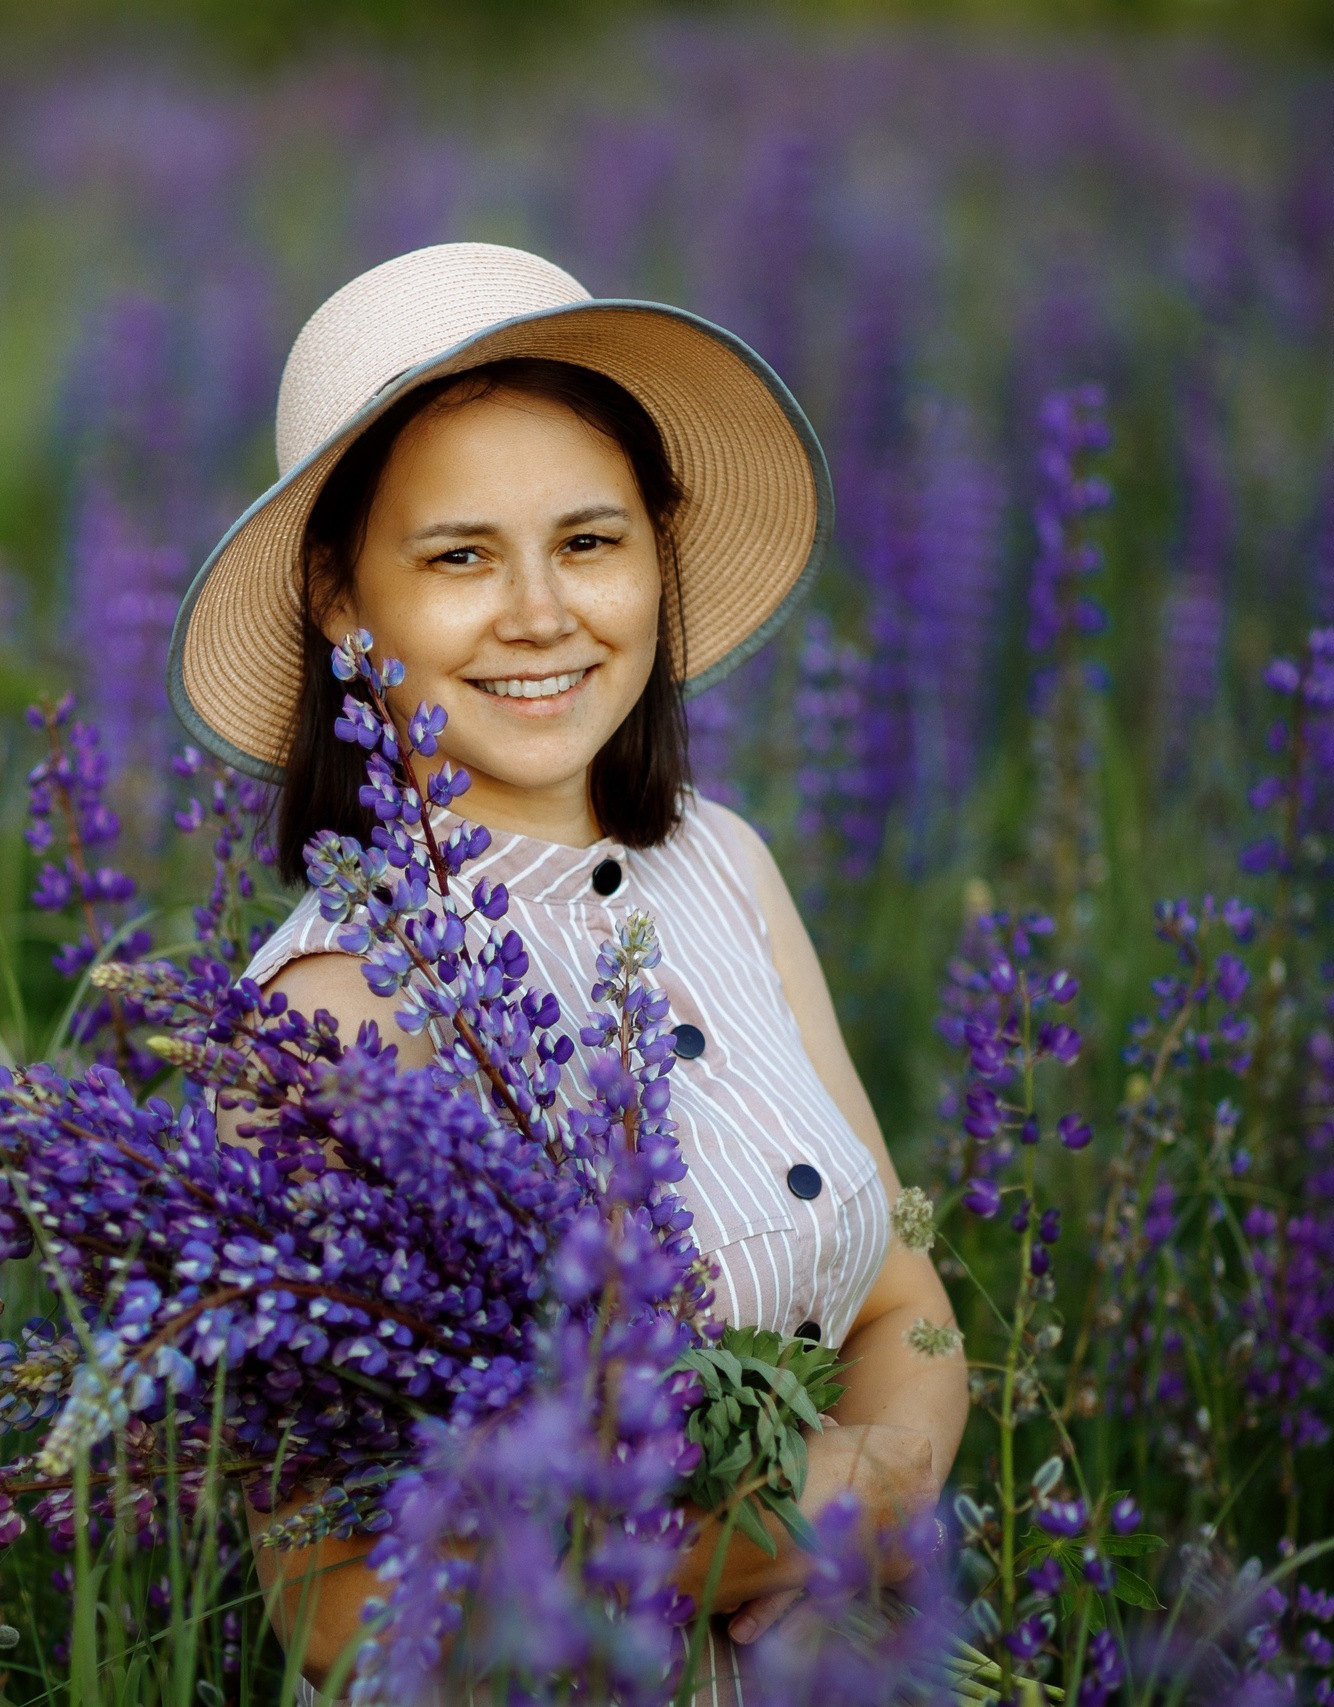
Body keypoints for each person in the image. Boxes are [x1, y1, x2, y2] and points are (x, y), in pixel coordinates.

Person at [166, 242, 968, 1703]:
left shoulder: (723, 863)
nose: (541, 614)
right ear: (342, 599)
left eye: (588, 542)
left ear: (656, 555)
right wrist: (789, 1532)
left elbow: (896, 1294)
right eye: (460, 556)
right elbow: (334, 1612)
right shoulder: (326, 1013)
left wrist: (895, 1473)